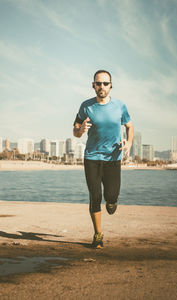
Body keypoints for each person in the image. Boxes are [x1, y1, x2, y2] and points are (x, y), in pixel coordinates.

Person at [73, 70, 134, 249]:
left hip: (113, 158)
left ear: (111, 85)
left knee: (111, 197)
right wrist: (81, 129)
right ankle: (98, 235)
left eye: (105, 83)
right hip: (91, 157)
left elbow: (129, 126)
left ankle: (112, 200)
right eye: (98, 83)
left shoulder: (120, 106)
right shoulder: (86, 106)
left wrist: (129, 143)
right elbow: (75, 132)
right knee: (95, 195)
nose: (102, 87)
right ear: (93, 85)